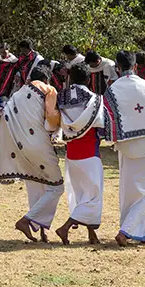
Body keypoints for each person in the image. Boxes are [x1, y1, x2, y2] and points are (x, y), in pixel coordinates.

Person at [103, 50, 145, 246]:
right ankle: (127, 230)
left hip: (124, 146)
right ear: (135, 67)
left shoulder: (112, 89)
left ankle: (139, 232)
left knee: (128, 190)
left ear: (118, 67)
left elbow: (108, 118)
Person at [0, 65, 63, 242]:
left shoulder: (17, 95)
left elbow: (4, 117)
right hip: (40, 145)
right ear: (47, 80)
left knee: (35, 187)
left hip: (20, 148)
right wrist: (59, 125)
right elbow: (51, 118)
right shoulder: (49, 90)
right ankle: (27, 221)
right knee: (56, 186)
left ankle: (42, 229)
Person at [55, 63, 104, 245]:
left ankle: (92, 235)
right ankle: (65, 227)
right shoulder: (94, 99)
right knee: (93, 196)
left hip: (72, 154)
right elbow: (101, 129)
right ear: (88, 78)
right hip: (90, 153)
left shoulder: (61, 97)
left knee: (82, 195)